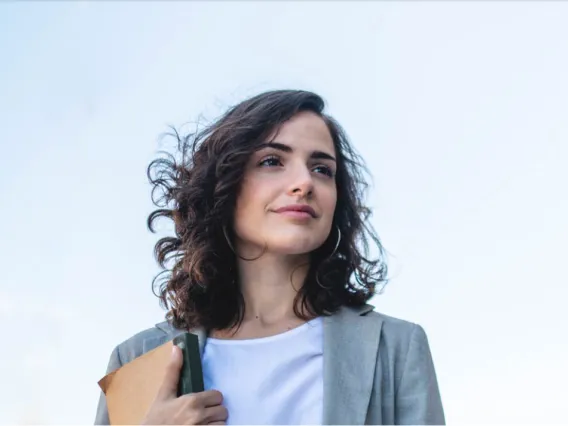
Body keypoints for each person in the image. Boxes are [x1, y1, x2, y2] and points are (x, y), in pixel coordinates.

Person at [94, 89, 445, 425]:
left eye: (322, 169)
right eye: (272, 161)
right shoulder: (137, 359)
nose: (304, 182)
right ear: (224, 185)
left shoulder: (396, 348)